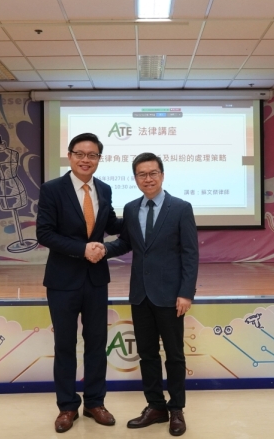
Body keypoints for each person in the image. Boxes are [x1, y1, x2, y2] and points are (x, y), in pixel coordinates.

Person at [105, 152, 199, 437]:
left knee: (174, 355)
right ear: (135, 178)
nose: (148, 178)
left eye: (153, 173)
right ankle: (155, 406)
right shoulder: (131, 208)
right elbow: (126, 243)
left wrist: (186, 293)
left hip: (171, 296)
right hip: (140, 295)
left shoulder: (180, 208)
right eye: (142, 174)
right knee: (147, 354)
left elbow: (190, 253)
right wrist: (102, 250)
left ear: (162, 175)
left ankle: (177, 409)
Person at [36, 133, 121, 433]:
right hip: (62, 280)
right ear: (70, 156)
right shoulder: (52, 189)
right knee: (65, 345)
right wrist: (82, 249)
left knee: (97, 344)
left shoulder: (105, 189)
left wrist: (142, 214)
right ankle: (67, 406)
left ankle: (95, 402)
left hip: (96, 279)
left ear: (99, 159)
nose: (86, 160)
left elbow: (111, 224)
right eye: (80, 154)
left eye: (92, 155)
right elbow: (45, 233)